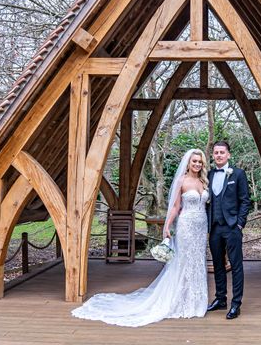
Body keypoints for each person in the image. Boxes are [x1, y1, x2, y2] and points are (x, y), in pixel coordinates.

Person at [71, 149, 210, 327]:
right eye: (194, 161)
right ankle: (180, 300)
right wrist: (167, 226)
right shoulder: (182, 181)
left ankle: (196, 301)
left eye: (200, 162)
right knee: (183, 262)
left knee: (197, 262)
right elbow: (175, 207)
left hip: (201, 227)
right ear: (188, 163)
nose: (197, 164)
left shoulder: (203, 181)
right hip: (186, 227)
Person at [206, 140, 251, 319]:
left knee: (236, 265)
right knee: (218, 264)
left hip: (232, 227)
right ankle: (220, 299)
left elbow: (245, 200)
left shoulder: (238, 174)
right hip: (214, 228)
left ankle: (236, 303)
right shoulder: (208, 174)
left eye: (222, 152)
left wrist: (240, 223)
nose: (218, 155)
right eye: (216, 152)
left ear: (228, 155)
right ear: (213, 155)